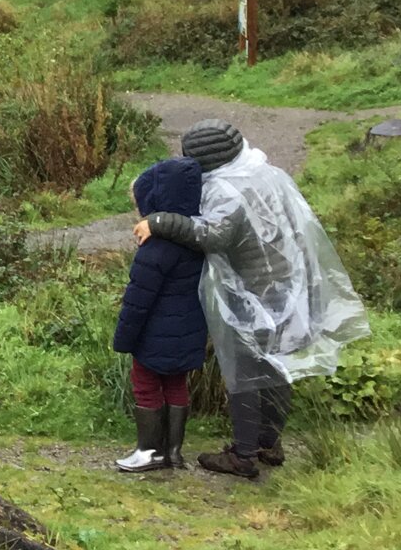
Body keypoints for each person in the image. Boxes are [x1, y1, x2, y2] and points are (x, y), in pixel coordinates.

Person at [136, 120, 370, 480]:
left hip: (252, 294)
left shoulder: (228, 191)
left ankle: (243, 455)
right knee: (276, 366)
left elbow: (213, 235)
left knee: (246, 373)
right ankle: (269, 443)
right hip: (287, 286)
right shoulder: (267, 172)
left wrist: (161, 221)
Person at [110, 158, 207, 473]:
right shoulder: (198, 241)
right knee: (176, 383)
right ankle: (173, 452)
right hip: (188, 331)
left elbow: (138, 301)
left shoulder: (155, 249)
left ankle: (149, 450)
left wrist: (125, 339)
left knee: (146, 383)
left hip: (154, 335)